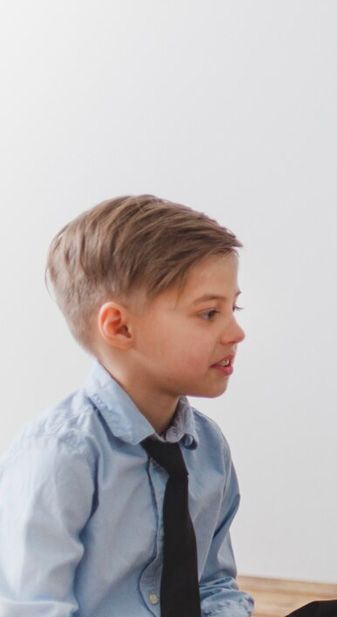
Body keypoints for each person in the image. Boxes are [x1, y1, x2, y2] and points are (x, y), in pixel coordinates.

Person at [0, 196, 254, 616]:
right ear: (120, 327)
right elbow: (33, 609)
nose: (236, 332)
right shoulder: (61, 455)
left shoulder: (207, 448)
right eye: (209, 313)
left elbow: (212, 582)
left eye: (234, 307)